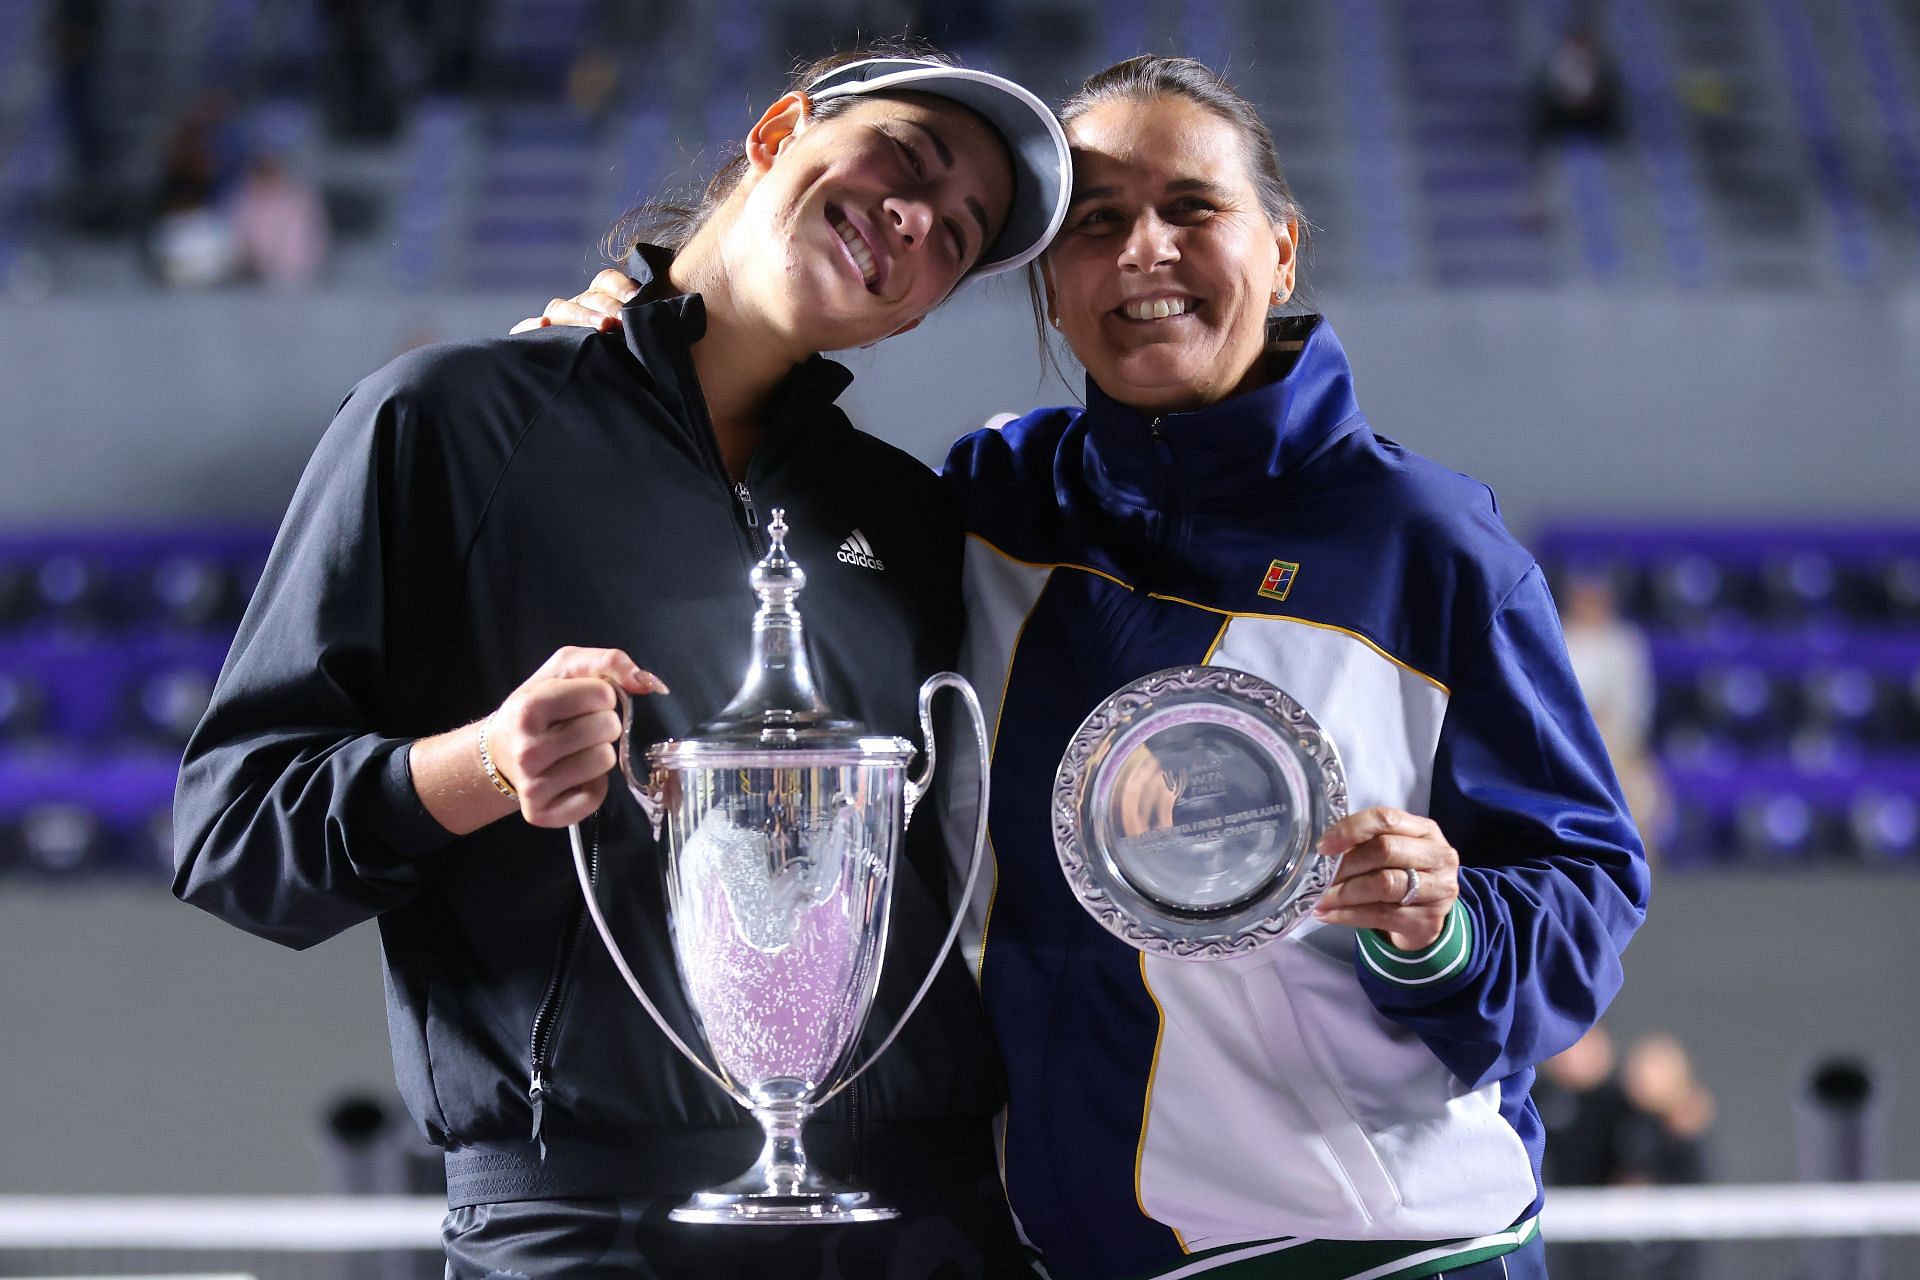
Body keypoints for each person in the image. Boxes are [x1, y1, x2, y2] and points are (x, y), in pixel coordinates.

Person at [534, 53, 1649, 1280]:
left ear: (1281, 249)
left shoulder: (1431, 548)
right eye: (1098, 222)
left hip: (1387, 1253)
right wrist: (632, 368)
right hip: (1062, 1257)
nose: (1143, 251)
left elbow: (1584, 891)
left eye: (1193, 209)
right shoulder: (991, 505)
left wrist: (1445, 930)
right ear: (1049, 291)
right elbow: (768, 502)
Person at [174, 49, 1071, 1280]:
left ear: (917, 308)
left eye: (960, 236)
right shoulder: (447, 421)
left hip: (921, 1215)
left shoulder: (907, 517)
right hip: (590, 1222)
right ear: (777, 131)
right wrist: (482, 762)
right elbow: (233, 837)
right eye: (907, 157)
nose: (918, 217)